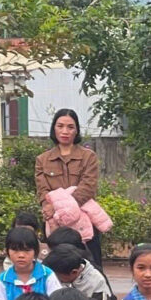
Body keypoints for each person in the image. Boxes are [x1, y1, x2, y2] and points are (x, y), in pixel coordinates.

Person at [35, 109, 102, 267]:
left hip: (84, 220)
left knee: (91, 267)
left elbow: (87, 188)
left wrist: (61, 208)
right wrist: (48, 207)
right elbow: (42, 190)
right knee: (56, 268)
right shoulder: (42, 160)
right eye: (60, 126)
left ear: (76, 130)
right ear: (54, 128)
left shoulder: (88, 157)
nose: (65, 131)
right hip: (55, 222)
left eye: (70, 127)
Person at [44, 243, 115, 300]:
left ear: (74, 272)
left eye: (57, 276)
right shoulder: (70, 267)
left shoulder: (96, 284)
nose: (54, 279)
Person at [0, 225, 55, 300]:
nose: (21, 255)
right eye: (15, 250)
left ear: (35, 251)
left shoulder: (47, 275)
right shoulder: (3, 280)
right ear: (7, 252)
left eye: (27, 250)